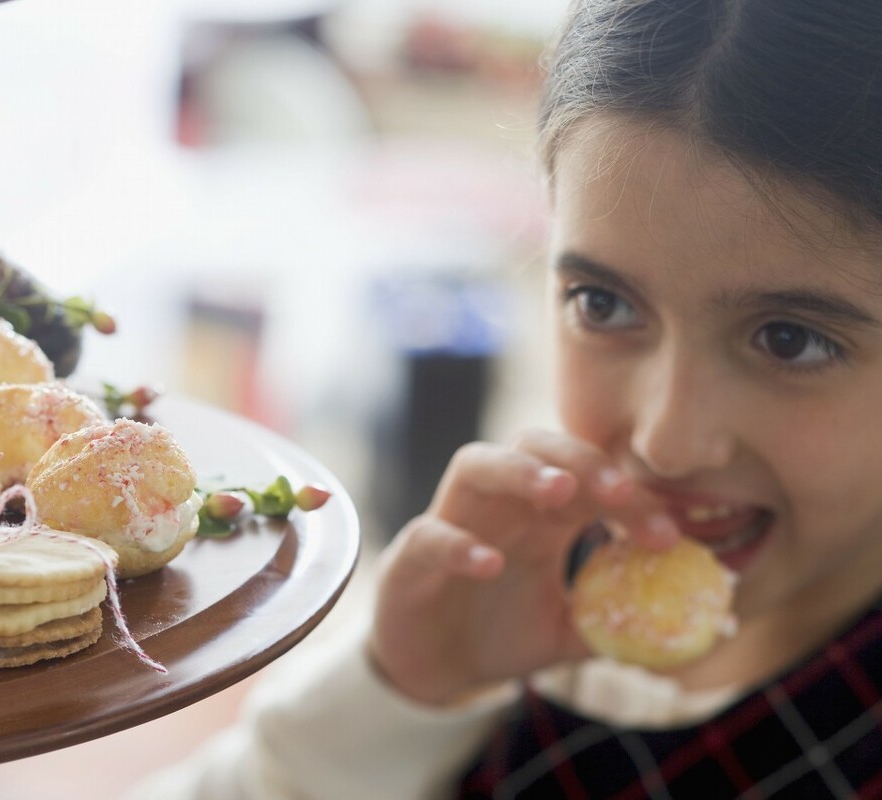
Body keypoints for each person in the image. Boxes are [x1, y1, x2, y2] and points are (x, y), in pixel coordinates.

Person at [126, 0, 882, 796]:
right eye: (604, 303)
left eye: (791, 339)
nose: (666, 442)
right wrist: (394, 692)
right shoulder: (500, 573)